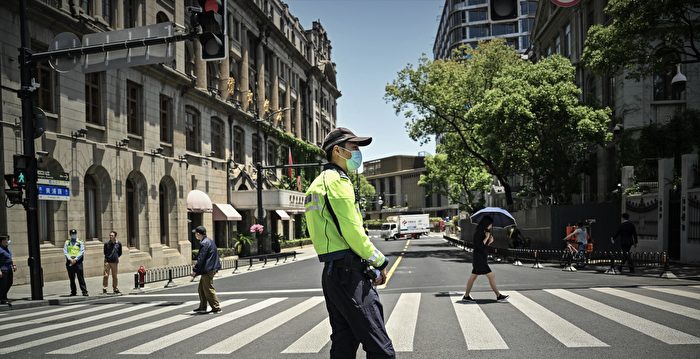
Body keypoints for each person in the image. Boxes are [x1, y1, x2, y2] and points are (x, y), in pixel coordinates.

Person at [305, 127, 395, 359]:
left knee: (344, 344)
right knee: (381, 350)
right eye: (354, 147)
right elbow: (352, 230)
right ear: (337, 150)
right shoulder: (337, 182)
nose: (357, 152)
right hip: (349, 274)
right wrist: (379, 260)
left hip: (333, 273)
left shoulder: (317, 183)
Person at [461, 215, 509, 303]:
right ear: (486, 223)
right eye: (490, 224)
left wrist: (489, 242)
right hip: (479, 259)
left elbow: (483, 247)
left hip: (480, 258)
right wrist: (487, 238)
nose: (491, 226)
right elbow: (478, 246)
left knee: (472, 277)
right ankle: (498, 295)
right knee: (491, 276)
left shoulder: (484, 232)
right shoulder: (478, 232)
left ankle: (466, 296)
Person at [190, 225, 221, 313]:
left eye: (196, 234)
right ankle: (203, 306)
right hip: (210, 268)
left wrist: (195, 270)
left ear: (199, 234)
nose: (195, 235)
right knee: (201, 289)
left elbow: (201, 258)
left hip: (208, 269)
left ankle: (216, 307)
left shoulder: (204, 243)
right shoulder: (210, 241)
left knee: (208, 289)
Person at [64, 229, 88, 296]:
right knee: (72, 278)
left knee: (80, 277)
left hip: (78, 262)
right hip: (70, 261)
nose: (73, 235)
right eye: (72, 234)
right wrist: (70, 259)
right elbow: (65, 252)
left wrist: (76, 259)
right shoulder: (67, 242)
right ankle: (73, 292)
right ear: (70, 234)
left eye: (74, 234)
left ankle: (84, 291)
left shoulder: (80, 242)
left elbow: (81, 251)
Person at [0, 235, 16, 305]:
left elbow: (10, 257)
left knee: (9, 283)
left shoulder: (7, 249)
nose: (7, 241)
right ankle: (3, 298)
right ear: (2, 241)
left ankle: (2, 296)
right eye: (6, 240)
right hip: (3, 269)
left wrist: (13, 265)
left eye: (7, 240)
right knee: (3, 285)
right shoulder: (0, 249)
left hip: (9, 269)